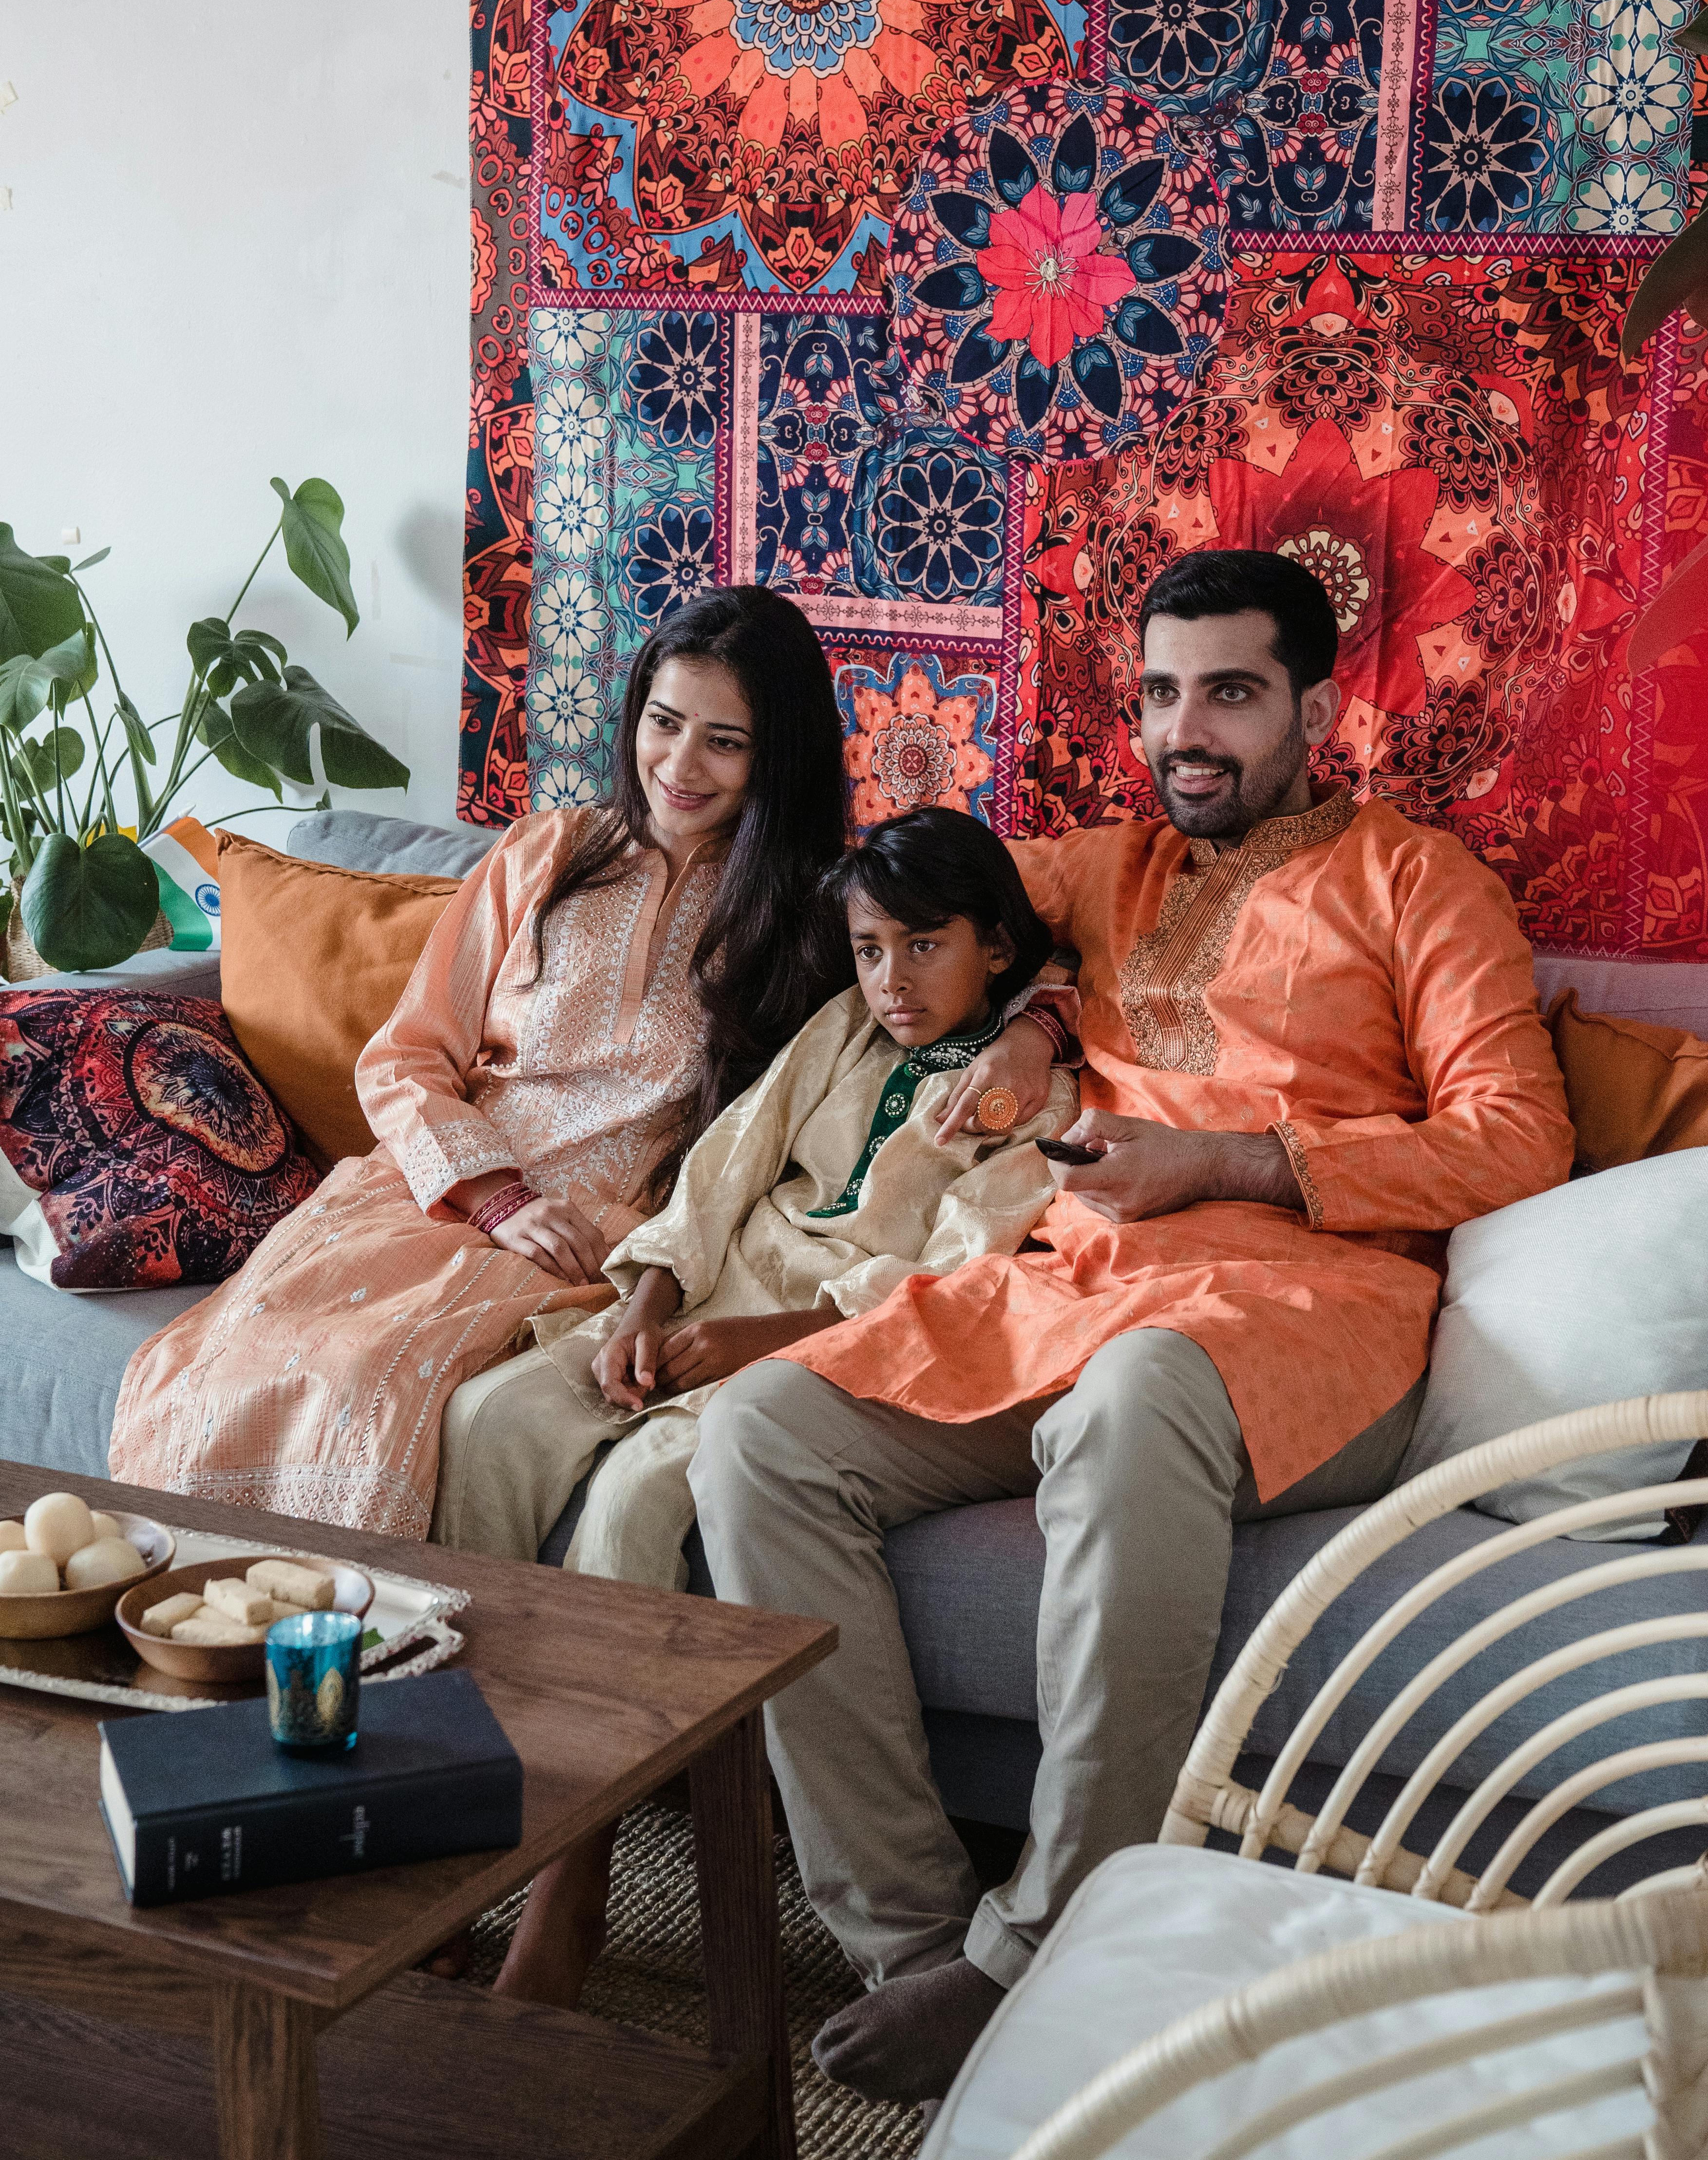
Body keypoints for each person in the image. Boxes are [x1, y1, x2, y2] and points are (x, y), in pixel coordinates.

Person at [688, 546, 1577, 2106]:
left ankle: (1048, 1952)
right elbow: (936, 902)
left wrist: (1234, 1160)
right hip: (1074, 1280)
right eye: (1162, 692)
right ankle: (911, 1942)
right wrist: (1033, 1025)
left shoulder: (1417, 882)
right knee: (763, 1432)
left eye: (1231, 694)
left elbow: (1518, 1139)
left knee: (1136, 1397)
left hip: (1311, 1307)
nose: (1188, 732)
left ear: (1319, 702)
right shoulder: (1104, 868)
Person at [464, 804, 1079, 2006]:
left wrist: (750, 1343)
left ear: (995, 947)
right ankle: (474, 1811)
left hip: (812, 1349)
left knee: (641, 1496)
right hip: (696, 1301)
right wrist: (644, 1300)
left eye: (921, 946)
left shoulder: (1035, 1104)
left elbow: (946, 1284)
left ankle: (571, 1878)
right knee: (488, 1423)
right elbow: (724, 1168)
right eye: (866, 950)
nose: (889, 981)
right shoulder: (840, 1030)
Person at [109, 586, 852, 1539]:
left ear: (776, 754)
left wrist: (1037, 1021)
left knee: (363, 1381)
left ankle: (366, 1663)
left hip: (597, 1235)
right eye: (663, 723)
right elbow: (406, 1055)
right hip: (437, 1190)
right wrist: (496, 1197)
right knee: (225, 1357)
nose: (679, 765)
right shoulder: (546, 852)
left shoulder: (817, 913)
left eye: (725, 740)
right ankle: (200, 1647)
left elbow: (985, 956)